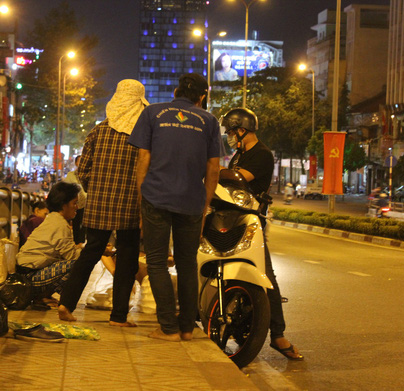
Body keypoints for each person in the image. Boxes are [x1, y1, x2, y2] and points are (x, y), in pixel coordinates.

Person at [128, 73, 222, 341]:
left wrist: (141, 196)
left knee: (156, 261)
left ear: (175, 91)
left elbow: (143, 158)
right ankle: (187, 329)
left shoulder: (153, 113)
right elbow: (213, 168)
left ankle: (168, 327)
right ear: (202, 96)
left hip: (155, 196)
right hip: (191, 200)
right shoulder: (209, 121)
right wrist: (204, 206)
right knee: (187, 263)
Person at [58, 79, 148, 327]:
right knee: (128, 259)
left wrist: (97, 190)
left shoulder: (98, 131)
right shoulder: (144, 133)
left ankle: (66, 303)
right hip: (131, 203)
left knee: (90, 252)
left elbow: (83, 170)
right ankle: (119, 317)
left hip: (100, 204)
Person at [220, 107, 304, 360]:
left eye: (231, 132)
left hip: (251, 222)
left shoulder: (261, 155)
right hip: (230, 219)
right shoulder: (238, 154)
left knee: (265, 276)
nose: (229, 136)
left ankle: (277, 334)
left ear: (242, 130)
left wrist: (211, 169)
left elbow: (239, 178)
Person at [16, 182, 82, 309]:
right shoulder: (60, 224)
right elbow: (72, 257)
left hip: (27, 274)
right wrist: (96, 251)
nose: (77, 207)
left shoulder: (53, 218)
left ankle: (42, 296)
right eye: (74, 203)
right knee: (78, 264)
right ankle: (44, 298)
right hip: (29, 278)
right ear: (64, 205)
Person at [63, 155, 87, 244]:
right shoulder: (70, 175)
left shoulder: (89, 174)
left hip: (87, 204)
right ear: (76, 163)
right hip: (74, 205)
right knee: (76, 226)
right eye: (80, 161)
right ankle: (77, 245)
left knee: (85, 226)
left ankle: (82, 244)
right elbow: (65, 188)